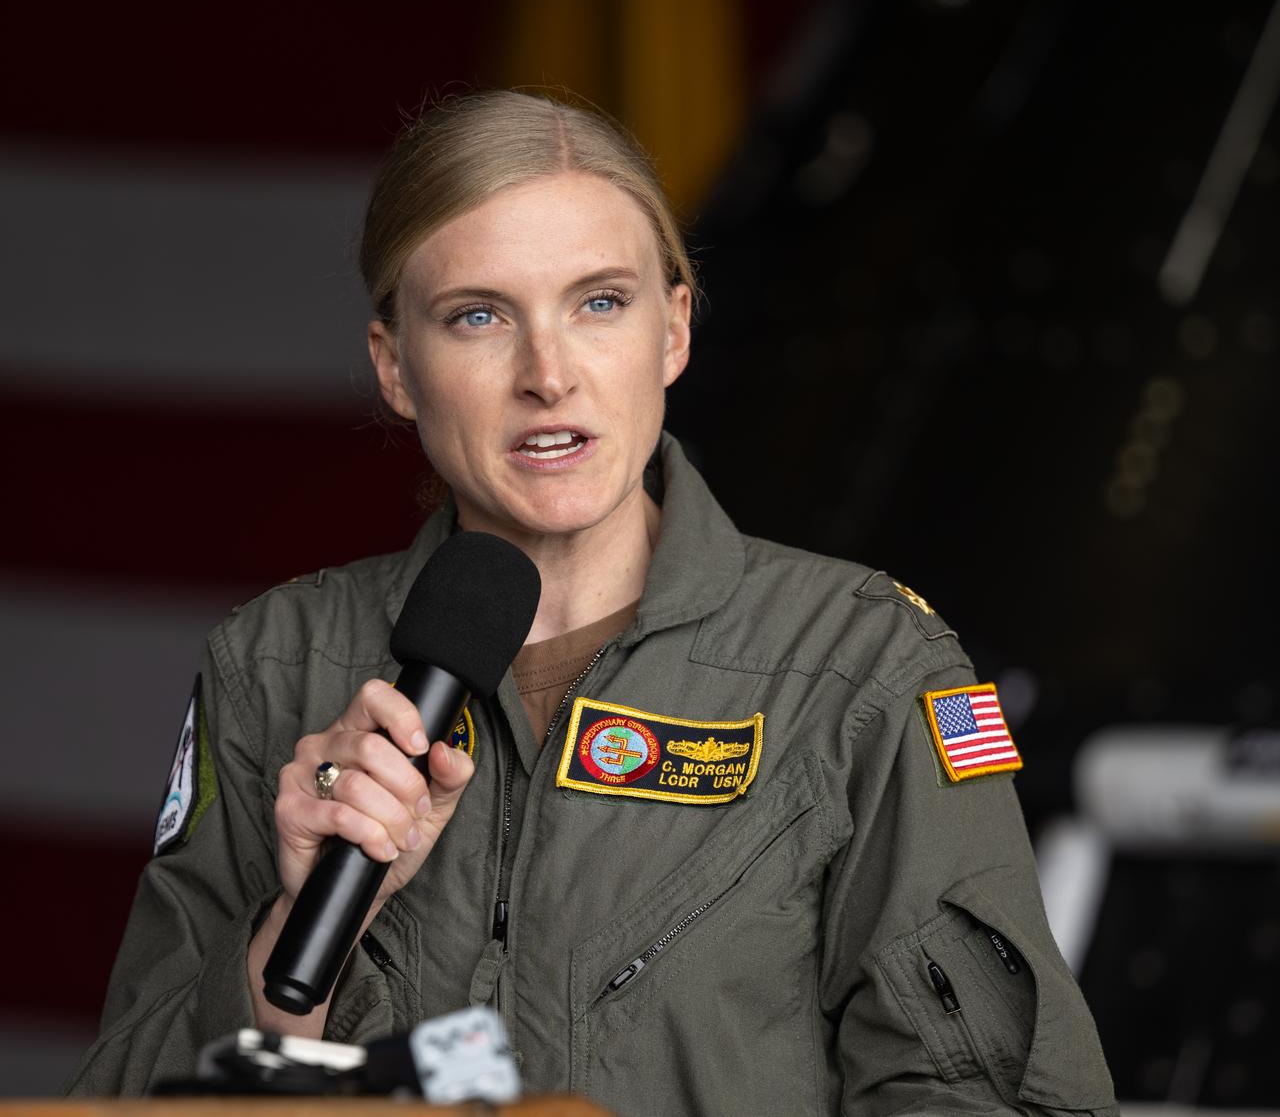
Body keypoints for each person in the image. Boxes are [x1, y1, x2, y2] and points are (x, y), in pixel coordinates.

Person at [70, 89, 1117, 1115]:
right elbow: (125, 1094)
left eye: (598, 303)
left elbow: (996, 1096)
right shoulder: (274, 663)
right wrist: (295, 936)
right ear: (395, 367)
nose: (547, 374)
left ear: (673, 331)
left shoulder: (864, 665)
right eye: (477, 316)